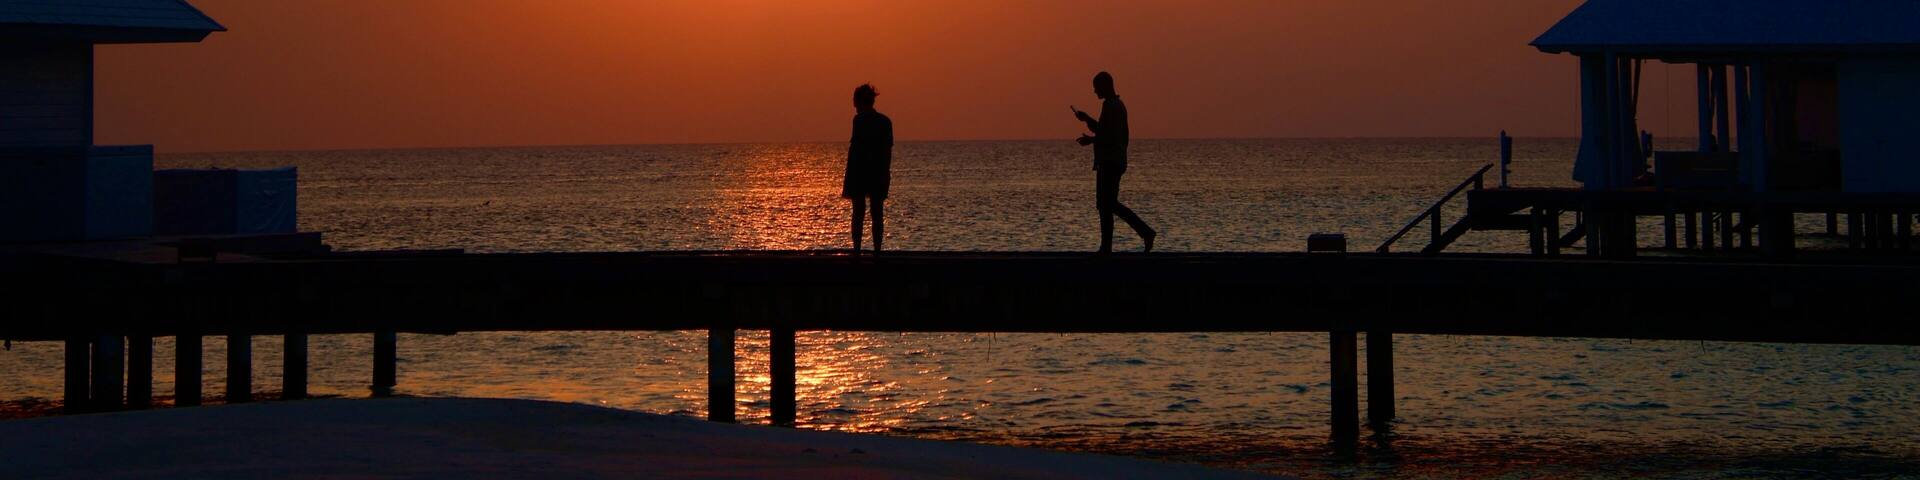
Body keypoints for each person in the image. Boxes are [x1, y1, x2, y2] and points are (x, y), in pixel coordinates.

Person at [1074, 71, 1155, 253]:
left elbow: (1109, 136)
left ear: (1105, 85)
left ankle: (1143, 233)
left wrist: (1091, 140)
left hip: (1110, 161)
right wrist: (1087, 119)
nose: (1094, 91)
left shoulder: (1113, 107)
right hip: (1112, 160)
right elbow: (1105, 131)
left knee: (1107, 204)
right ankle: (1108, 247)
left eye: (1097, 87)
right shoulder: (1114, 105)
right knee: (1106, 205)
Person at [844, 83, 893, 255]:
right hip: (878, 171)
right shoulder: (885, 121)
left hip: (860, 171)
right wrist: (886, 173)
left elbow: (856, 149)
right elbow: (887, 150)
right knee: (877, 212)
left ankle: (857, 250)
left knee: (858, 212)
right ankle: (877, 251)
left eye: (854, 101)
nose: (853, 105)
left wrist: (850, 177)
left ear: (859, 101)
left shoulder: (859, 120)